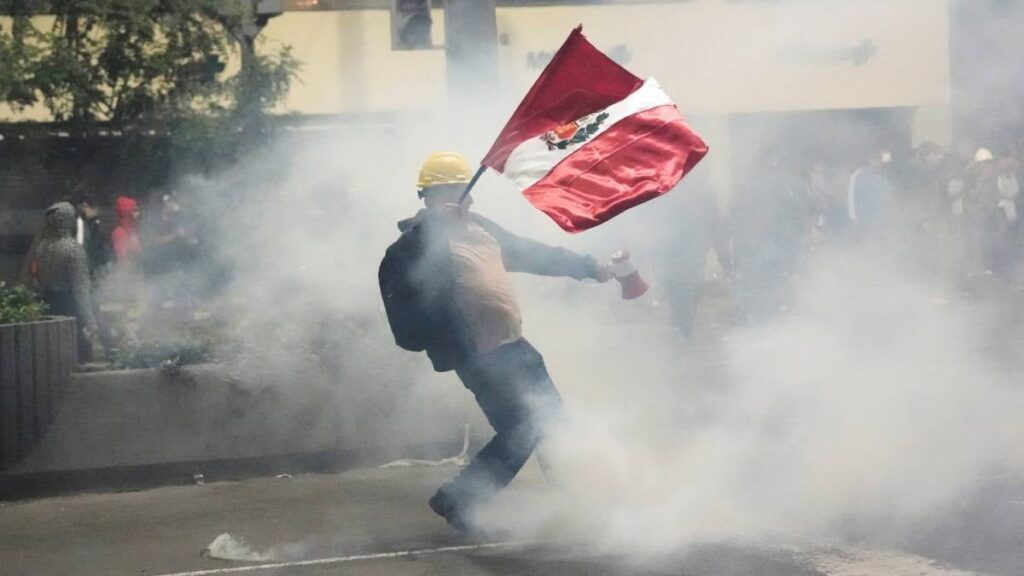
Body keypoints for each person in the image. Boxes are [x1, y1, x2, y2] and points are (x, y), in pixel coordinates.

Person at [379, 152, 612, 536]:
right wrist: (431, 234)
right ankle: (462, 498)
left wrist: (589, 268)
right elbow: (407, 316)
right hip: (478, 356)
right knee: (530, 425)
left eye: (458, 190)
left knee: (543, 422)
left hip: (513, 343)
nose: (454, 198)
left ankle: (567, 499)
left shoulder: (481, 230)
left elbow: (532, 254)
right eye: (442, 193)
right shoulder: (410, 248)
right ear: (426, 198)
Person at [25, 202, 99, 361]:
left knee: (53, 357)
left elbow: (35, 280)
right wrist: (89, 318)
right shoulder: (72, 248)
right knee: (78, 355)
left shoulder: (41, 247)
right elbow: (80, 287)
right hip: (70, 307)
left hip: (47, 306)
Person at [847, 148, 896, 238]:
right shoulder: (859, 176)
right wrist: (854, 219)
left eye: (881, 160)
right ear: (870, 160)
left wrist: (891, 217)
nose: (879, 163)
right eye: (876, 159)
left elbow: (889, 197)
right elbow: (851, 199)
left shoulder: (886, 176)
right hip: (865, 221)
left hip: (883, 222)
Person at [111, 196, 141, 265]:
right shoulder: (120, 233)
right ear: (127, 214)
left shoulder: (134, 231)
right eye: (135, 211)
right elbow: (124, 260)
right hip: (130, 272)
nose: (138, 214)